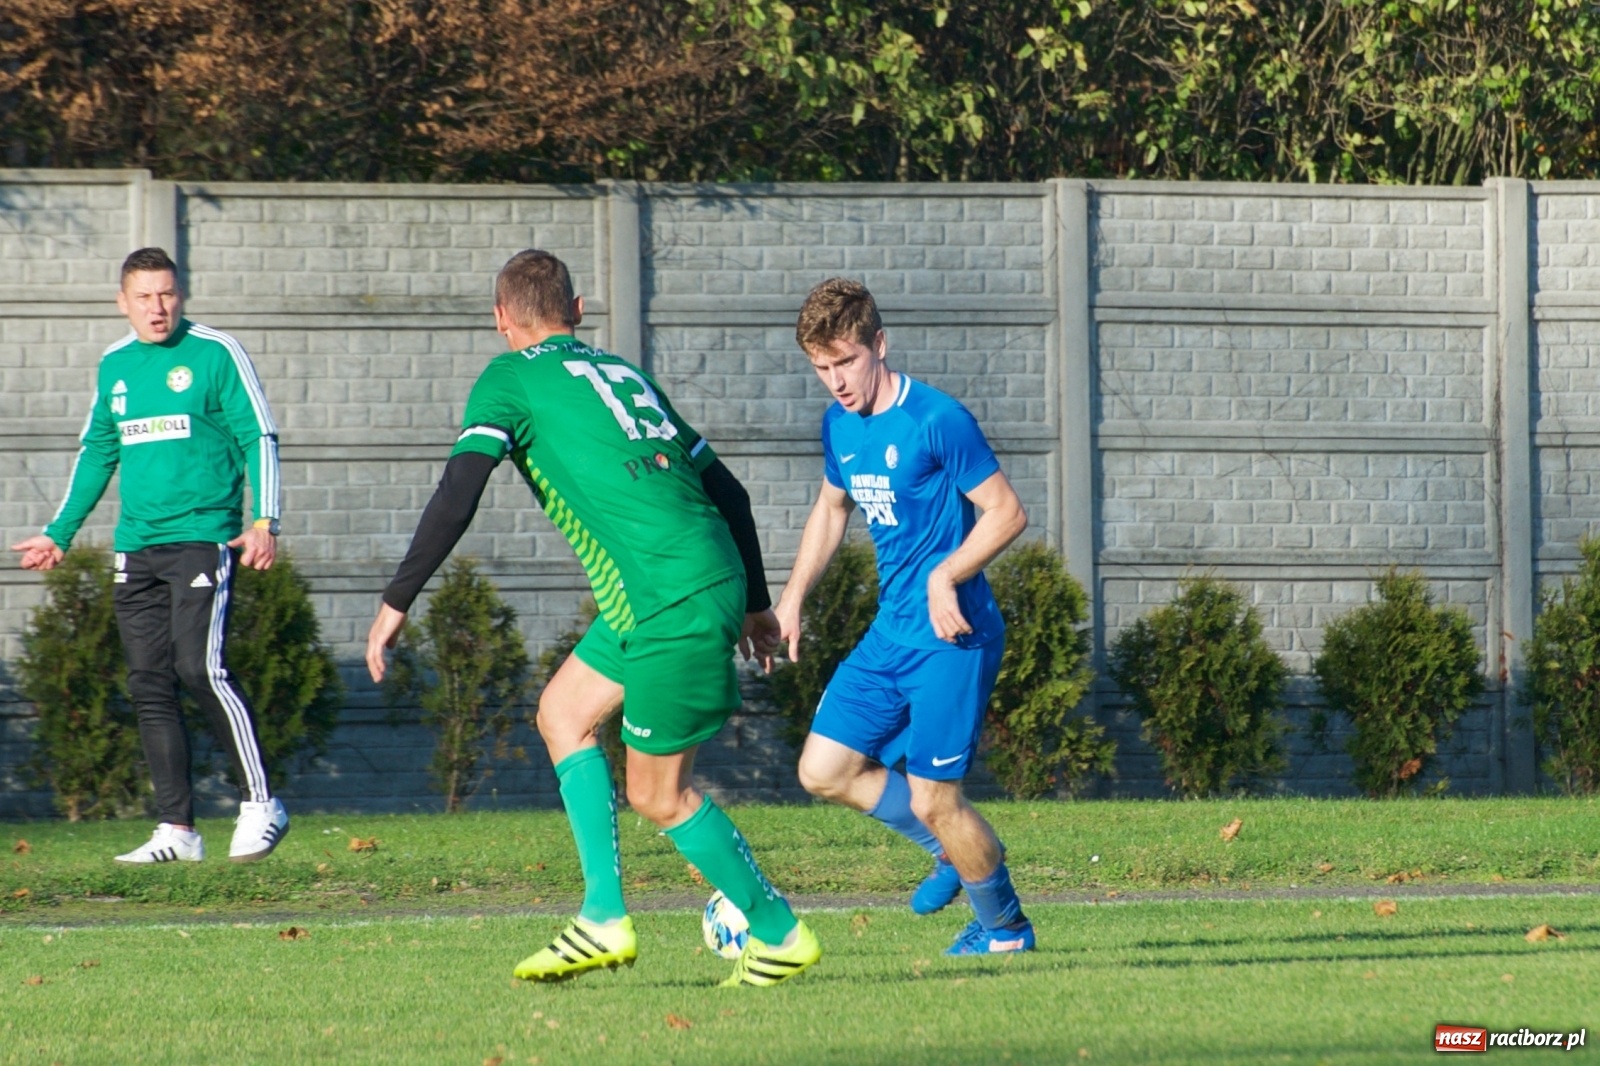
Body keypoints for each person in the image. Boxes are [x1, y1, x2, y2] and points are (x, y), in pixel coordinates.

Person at [365, 249, 820, 987]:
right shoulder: (624, 373)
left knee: (656, 795)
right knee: (562, 713)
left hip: (666, 598)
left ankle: (778, 932)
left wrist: (396, 601)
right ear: (577, 313)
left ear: (501, 320)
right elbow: (729, 492)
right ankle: (603, 916)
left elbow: (458, 492)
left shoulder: (509, 376)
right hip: (677, 585)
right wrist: (757, 603)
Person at [771, 278, 1034, 955]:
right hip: (892, 632)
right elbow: (833, 509)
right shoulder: (840, 424)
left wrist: (949, 572)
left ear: (879, 345)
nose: (835, 381)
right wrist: (793, 597)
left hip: (953, 638)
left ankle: (1005, 930)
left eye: (846, 362)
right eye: (822, 367)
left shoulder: (936, 419)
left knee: (935, 799)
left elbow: (1007, 512)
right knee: (823, 770)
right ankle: (947, 852)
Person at [11, 247, 288, 864]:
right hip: (136, 546)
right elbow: (97, 453)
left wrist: (265, 519)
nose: (156, 308)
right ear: (122, 302)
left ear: (180, 295)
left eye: (166, 294)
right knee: (149, 684)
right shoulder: (115, 365)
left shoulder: (217, 353)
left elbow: (258, 436)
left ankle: (261, 803)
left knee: (201, 668)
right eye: (144, 297)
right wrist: (59, 531)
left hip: (201, 536)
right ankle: (178, 831)